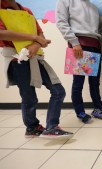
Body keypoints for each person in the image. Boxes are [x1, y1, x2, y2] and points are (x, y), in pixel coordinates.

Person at [0, 0, 73, 138]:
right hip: (17, 60)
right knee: (29, 97)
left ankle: (52, 127)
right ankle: (32, 128)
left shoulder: (26, 11)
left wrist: (35, 45)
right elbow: (2, 34)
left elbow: (41, 35)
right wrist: (34, 38)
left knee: (58, 91)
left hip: (36, 57)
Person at [56, 0, 102, 124]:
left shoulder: (94, 7)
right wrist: (74, 42)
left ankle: (98, 108)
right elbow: (61, 21)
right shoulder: (66, 1)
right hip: (79, 44)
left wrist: (101, 48)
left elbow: (99, 31)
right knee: (78, 82)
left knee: (95, 82)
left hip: (94, 45)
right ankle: (80, 112)